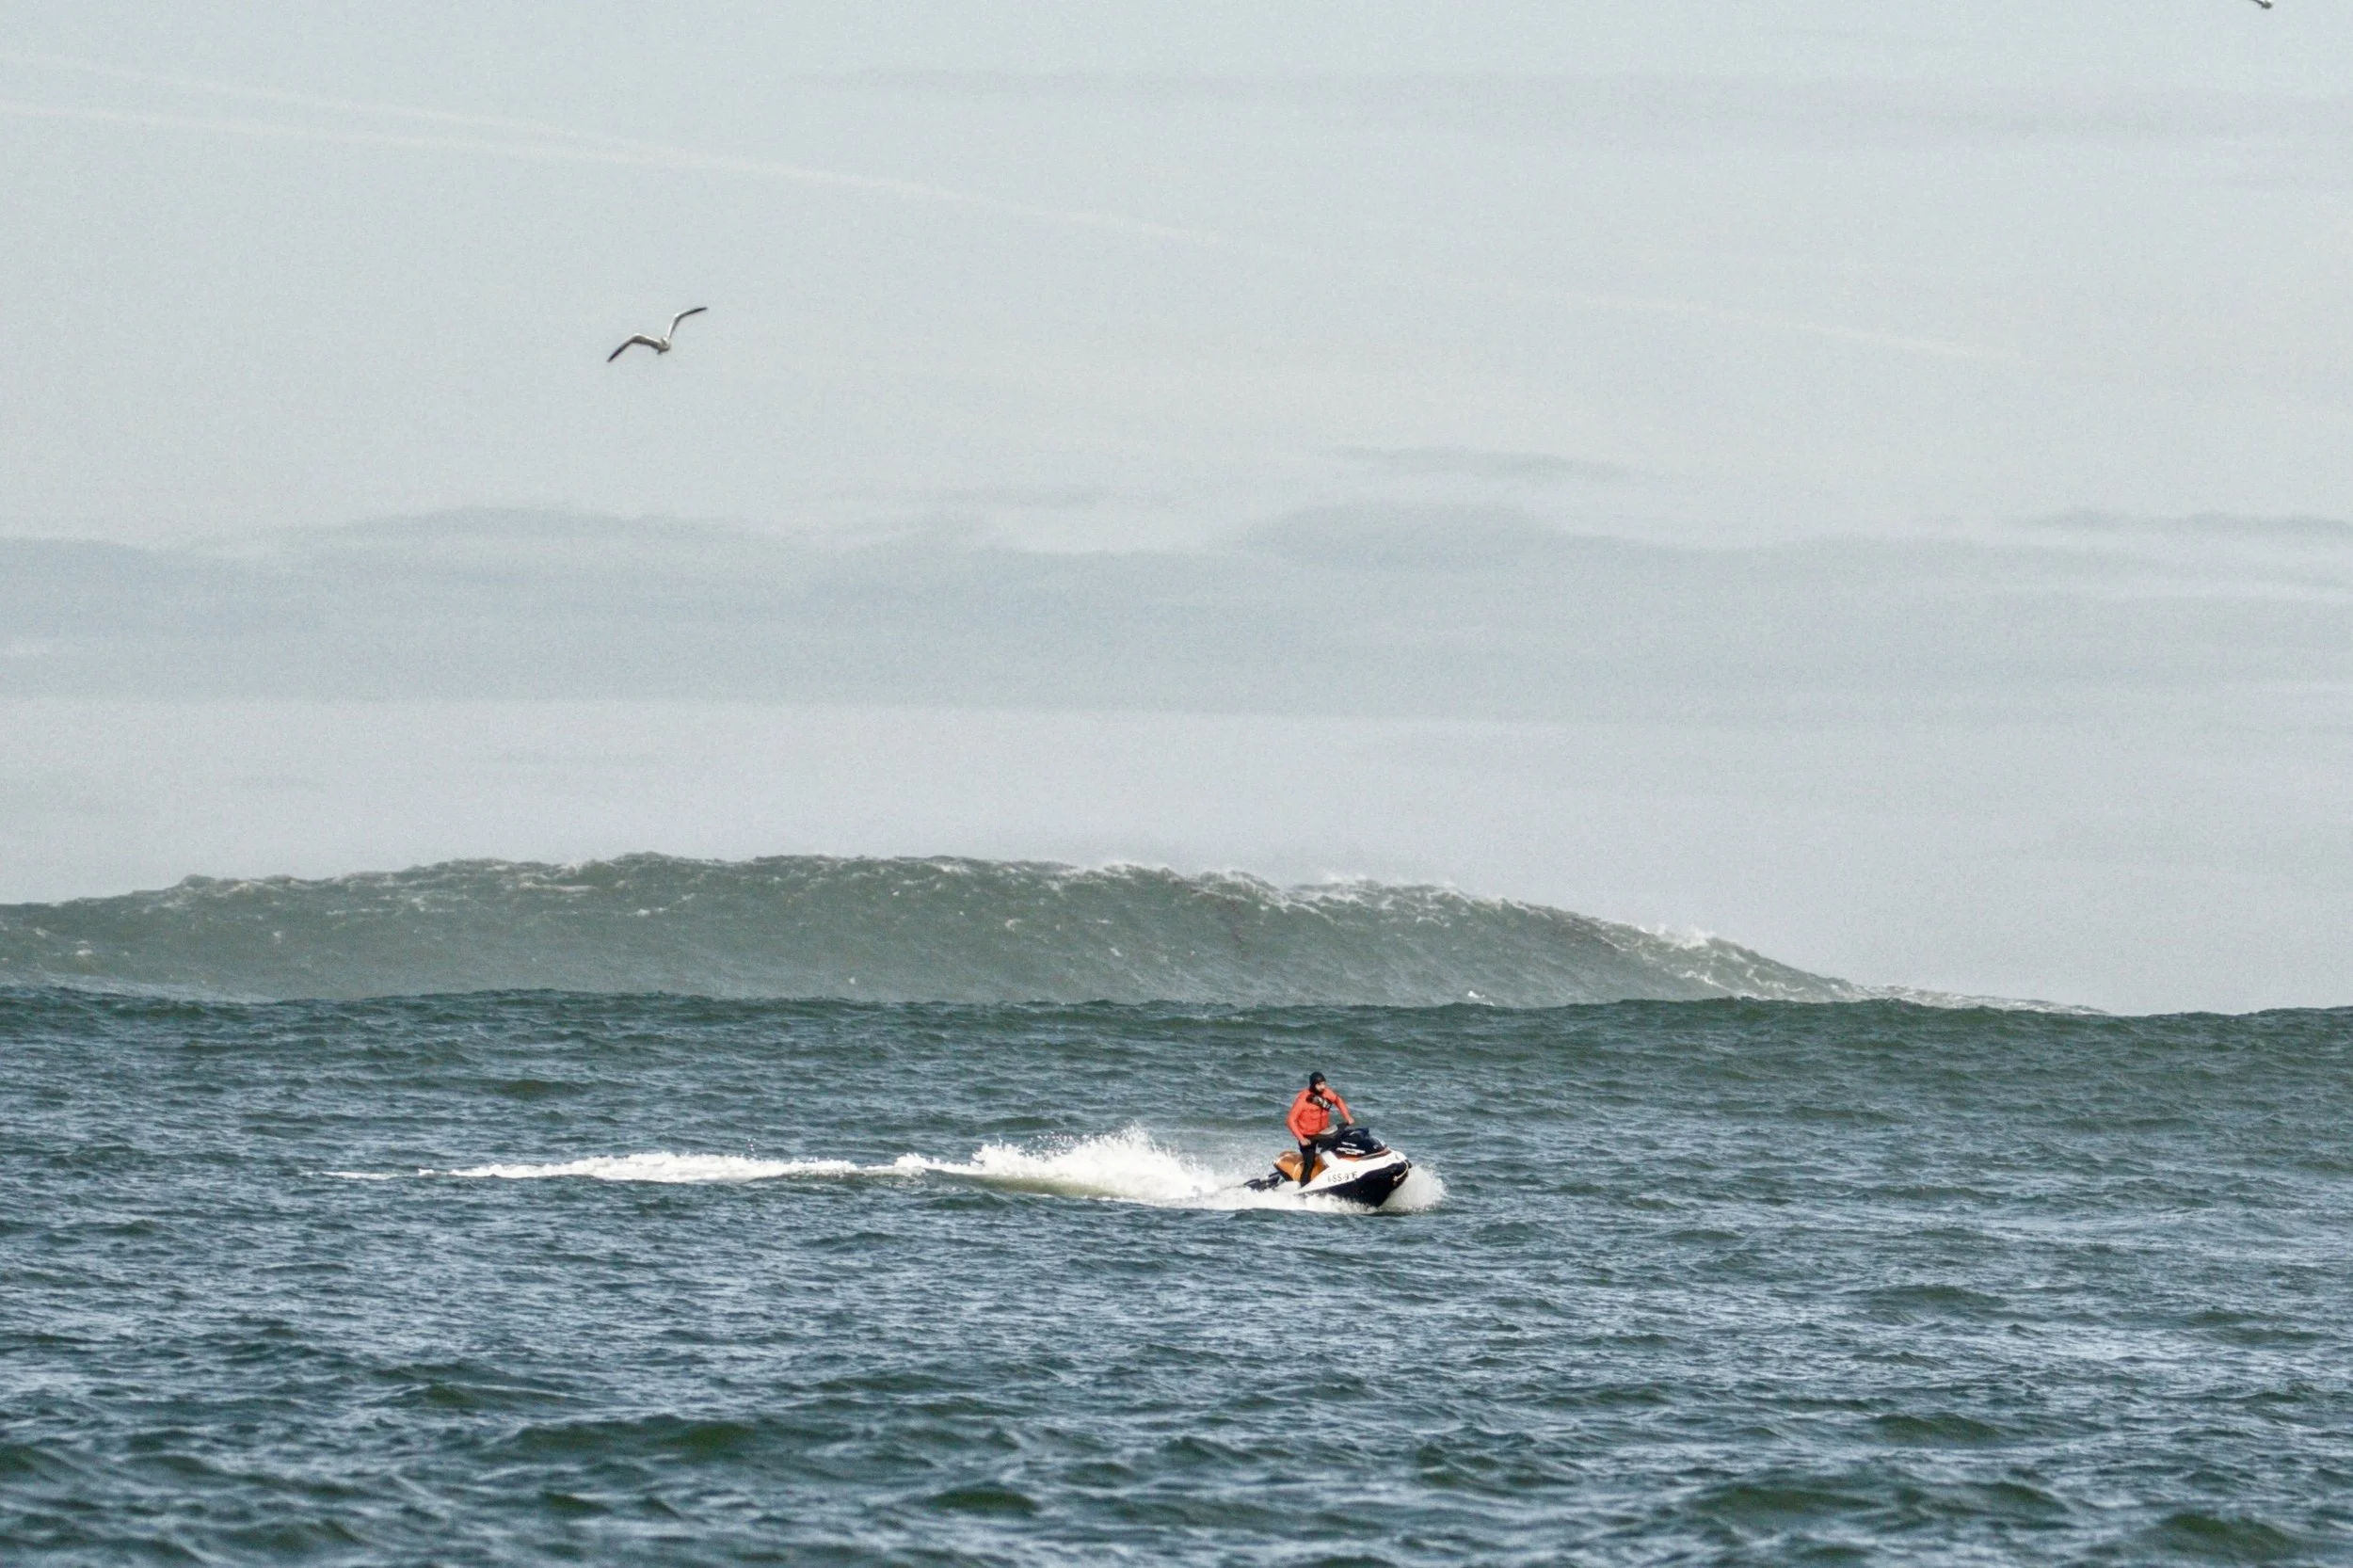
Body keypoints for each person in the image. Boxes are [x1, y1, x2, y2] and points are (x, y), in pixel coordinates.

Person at [1286, 1071, 1353, 1186]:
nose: (1323, 1087)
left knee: (1337, 1151)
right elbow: (1290, 1120)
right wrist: (1301, 1139)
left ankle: (1337, 1177)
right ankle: (1304, 1187)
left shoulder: (1326, 1093)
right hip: (1307, 1137)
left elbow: (1338, 1100)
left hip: (1323, 1133)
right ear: (1313, 1085)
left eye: (1324, 1084)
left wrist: (1347, 1117)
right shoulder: (1303, 1099)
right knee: (1309, 1163)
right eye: (1320, 1085)